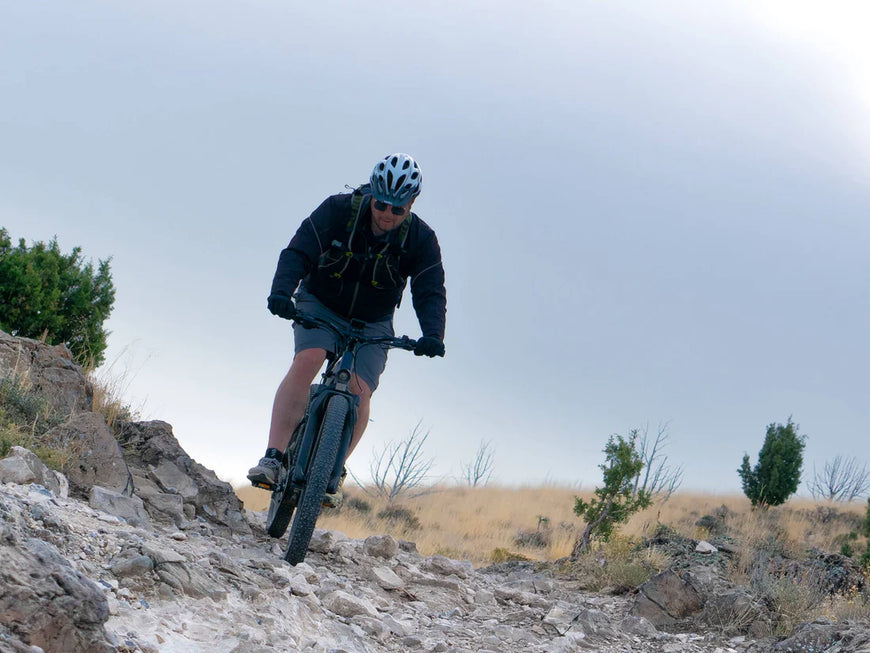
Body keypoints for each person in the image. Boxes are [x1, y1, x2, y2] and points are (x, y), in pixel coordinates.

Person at [247, 153, 446, 506]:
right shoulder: (338, 211)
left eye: (397, 210)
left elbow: (429, 290)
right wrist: (281, 293)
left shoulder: (421, 239)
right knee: (309, 359)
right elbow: (298, 251)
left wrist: (433, 334)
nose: (387, 214)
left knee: (360, 389)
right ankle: (274, 457)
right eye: (381, 204)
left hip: (373, 321)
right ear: (372, 195)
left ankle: (332, 469)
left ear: (411, 205)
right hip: (320, 303)